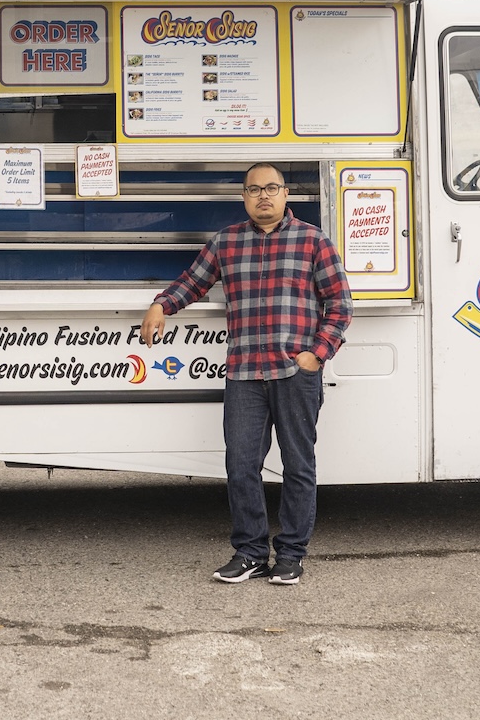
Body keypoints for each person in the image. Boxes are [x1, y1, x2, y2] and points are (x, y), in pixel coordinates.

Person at [142, 162, 351, 586]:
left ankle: (291, 555)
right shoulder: (226, 242)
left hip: (295, 372)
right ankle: (251, 553)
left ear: (286, 193)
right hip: (244, 374)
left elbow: (340, 306)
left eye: (271, 188)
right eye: (254, 190)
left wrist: (316, 354)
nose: (263, 196)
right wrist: (161, 304)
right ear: (244, 197)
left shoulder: (313, 241)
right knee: (240, 466)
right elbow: (193, 282)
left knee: (298, 466)